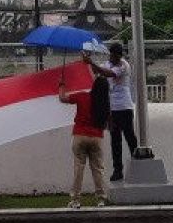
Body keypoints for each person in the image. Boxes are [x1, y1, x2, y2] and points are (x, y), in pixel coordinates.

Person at [59, 56, 111, 208]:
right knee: (98, 169)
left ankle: (75, 200)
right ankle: (101, 199)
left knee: (78, 169)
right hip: (96, 138)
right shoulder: (105, 104)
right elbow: (108, 122)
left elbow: (62, 98)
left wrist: (62, 85)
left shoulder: (83, 96)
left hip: (80, 136)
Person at [90, 41, 139, 182]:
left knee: (130, 137)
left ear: (119, 55)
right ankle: (118, 170)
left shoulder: (123, 65)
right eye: (112, 55)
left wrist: (93, 64)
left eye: (116, 56)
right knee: (115, 140)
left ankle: (137, 166)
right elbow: (98, 72)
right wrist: (91, 63)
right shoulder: (108, 63)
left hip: (124, 106)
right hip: (112, 109)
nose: (113, 58)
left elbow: (108, 74)